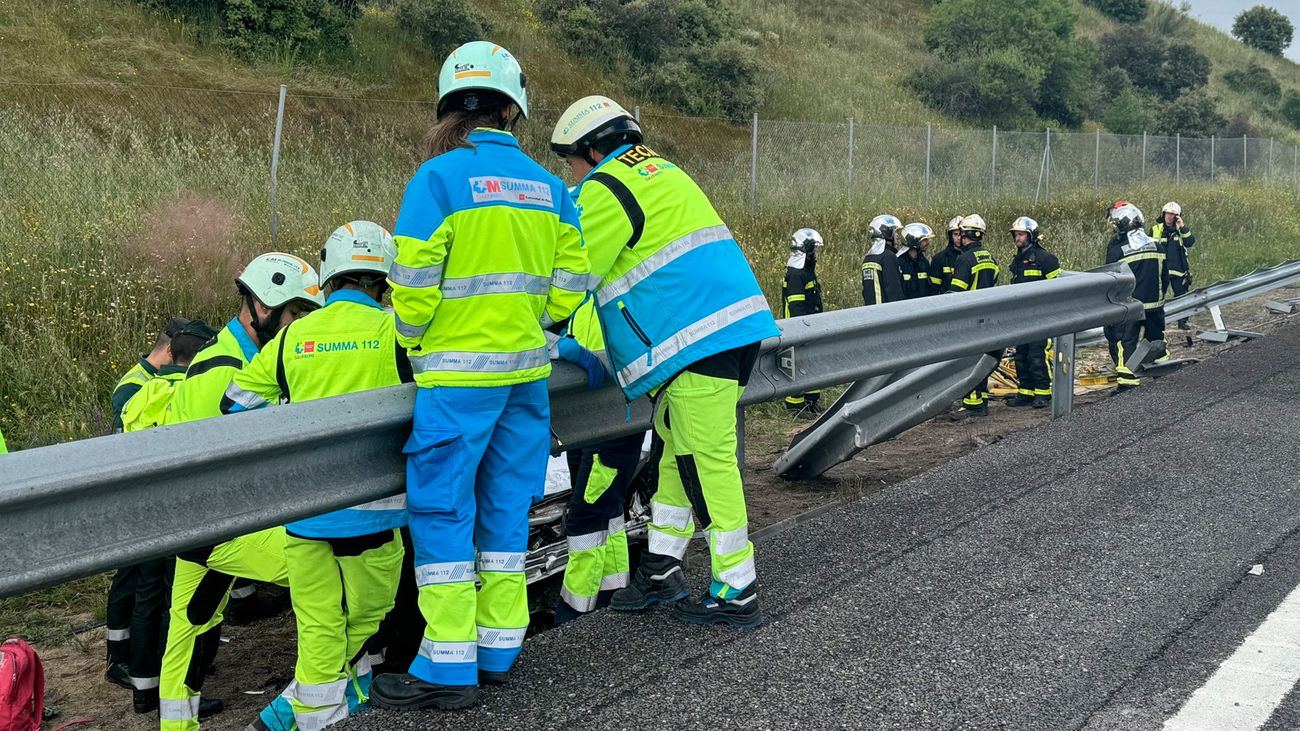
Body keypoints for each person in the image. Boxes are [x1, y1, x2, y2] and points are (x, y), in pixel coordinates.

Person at [369, 41, 589, 712]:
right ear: (512, 111)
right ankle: (497, 648)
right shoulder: (551, 188)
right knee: (502, 510)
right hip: (526, 378)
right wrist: (538, 329)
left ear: (448, 111)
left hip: (457, 382)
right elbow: (572, 282)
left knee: (441, 512)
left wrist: (418, 344)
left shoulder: (435, 181)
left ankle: (448, 666)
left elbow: (410, 287)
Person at [548, 94, 779, 628]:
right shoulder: (662, 171)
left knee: (705, 461)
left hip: (696, 339)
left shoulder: (606, 188)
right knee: (677, 452)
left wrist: (546, 333)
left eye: (571, 162)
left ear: (589, 149)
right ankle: (660, 570)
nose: (572, 177)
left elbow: (571, 276)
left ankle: (736, 587)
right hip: (721, 331)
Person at [221, 222, 410, 731]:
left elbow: (233, 408)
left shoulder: (291, 338)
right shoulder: (397, 332)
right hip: (375, 514)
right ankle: (290, 714)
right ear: (385, 281)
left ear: (328, 276)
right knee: (366, 620)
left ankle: (298, 716)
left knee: (320, 627)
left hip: (305, 514)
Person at [158, 253, 323, 731]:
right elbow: (223, 458)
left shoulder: (245, 358)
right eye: (295, 315)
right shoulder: (223, 369)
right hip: (218, 520)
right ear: (263, 307)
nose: (298, 328)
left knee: (191, 625)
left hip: (205, 519)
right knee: (324, 571)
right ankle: (290, 713)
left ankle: (176, 724)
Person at [109, 320, 216, 715]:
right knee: (179, 601)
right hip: (183, 510)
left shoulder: (141, 393)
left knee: (147, 595)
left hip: (144, 509)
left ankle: (143, 690)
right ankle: (180, 688)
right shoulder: (191, 391)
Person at [105, 318, 191, 690]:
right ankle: (118, 657)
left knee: (141, 580)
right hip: (135, 497)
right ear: (171, 350)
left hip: (141, 496)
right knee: (134, 579)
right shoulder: (134, 386)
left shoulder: (152, 381)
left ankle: (134, 658)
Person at [1105, 203, 1168, 392]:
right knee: (1156, 339)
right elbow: (1164, 277)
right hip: (1155, 305)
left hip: (1130, 307)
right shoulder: (1158, 245)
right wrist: (1160, 297)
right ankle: (1163, 373)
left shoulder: (1118, 251)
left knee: (1126, 342)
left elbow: (1111, 281)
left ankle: (1128, 382)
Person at [947, 214, 1000, 421]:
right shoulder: (989, 257)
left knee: (970, 361)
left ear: (965, 234)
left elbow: (956, 292)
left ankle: (974, 404)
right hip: (987, 316)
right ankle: (982, 399)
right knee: (982, 358)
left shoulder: (964, 259)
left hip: (969, 318)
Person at [1006, 217, 1060, 409]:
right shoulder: (1018, 260)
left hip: (1041, 316)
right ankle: (1026, 392)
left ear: (1031, 236)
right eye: (1016, 235)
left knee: (1038, 355)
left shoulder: (1045, 259)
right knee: (1021, 355)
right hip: (1021, 316)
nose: (1017, 238)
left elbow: (1059, 290)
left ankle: (1043, 393)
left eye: (1020, 234)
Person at [109, 317, 190, 434]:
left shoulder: (170, 375)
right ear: (170, 351)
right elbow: (124, 439)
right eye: (189, 354)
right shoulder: (130, 388)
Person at [782, 227, 825, 418]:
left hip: (810, 325)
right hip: (798, 327)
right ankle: (796, 406)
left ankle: (811, 401)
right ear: (806, 250)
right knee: (798, 365)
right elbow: (797, 305)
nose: (815, 254)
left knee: (811, 363)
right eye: (813, 250)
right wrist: (801, 329)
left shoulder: (807, 272)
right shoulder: (796, 274)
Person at [1152, 201, 1196, 330]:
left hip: (1179, 271)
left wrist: (1182, 227)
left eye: (1173, 214)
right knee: (1158, 298)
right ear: (1163, 214)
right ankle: (1159, 323)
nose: (1170, 217)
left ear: (1177, 216)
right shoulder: (1156, 230)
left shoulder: (1181, 230)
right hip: (1161, 270)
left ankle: (1182, 322)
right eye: (1168, 214)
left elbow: (1189, 242)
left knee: (1181, 297)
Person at [861, 214, 905, 306]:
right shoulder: (888, 257)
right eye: (895, 232)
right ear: (887, 233)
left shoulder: (868, 258)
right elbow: (894, 290)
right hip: (887, 313)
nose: (897, 235)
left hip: (870, 312)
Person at [898, 222, 936, 299]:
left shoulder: (924, 262)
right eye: (924, 240)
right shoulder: (899, 262)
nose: (927, 243)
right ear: (914, 241)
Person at [928, 216, 965, 292]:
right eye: (955, 234)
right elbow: (934, 289)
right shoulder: (939, 259)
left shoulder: (970, 257)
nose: (959, 238)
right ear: (950, 236)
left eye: (961, 234)